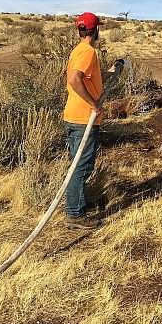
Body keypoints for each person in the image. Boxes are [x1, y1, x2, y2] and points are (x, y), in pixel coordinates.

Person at [63, 12, 107, 231]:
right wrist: (94, 104)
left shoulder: (78, 51)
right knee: (81, 166)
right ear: (96, 30)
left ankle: (77, 204)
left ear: (79, 30)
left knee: (76, 164)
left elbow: (88, 78)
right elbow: (74, 79)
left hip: (74, 116)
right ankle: (74, 214)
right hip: (83, 119)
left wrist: (111, 72)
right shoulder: (88, 51)